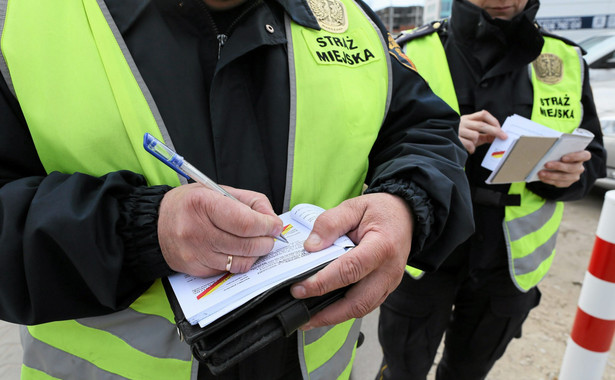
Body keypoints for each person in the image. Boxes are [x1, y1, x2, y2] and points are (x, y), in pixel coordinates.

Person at [0, 0, 475, 379]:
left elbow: (426, 129)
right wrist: (140, 229)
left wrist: (406, 204)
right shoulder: (19, 20)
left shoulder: (350, 20)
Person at [376, 0, 608, 379]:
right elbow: (372, 144)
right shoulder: (410, 51)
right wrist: (441, 137)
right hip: (424, 251)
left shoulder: (565, 59)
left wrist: (572, 176)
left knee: (469, 371)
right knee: (401, 370)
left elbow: (592, 153)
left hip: (509, 263)